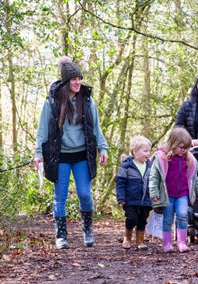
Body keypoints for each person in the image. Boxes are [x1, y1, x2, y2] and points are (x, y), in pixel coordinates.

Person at [33, 56, 109, 249]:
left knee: (84, 194)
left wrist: (103, 147)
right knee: (60, 196)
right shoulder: (51, 102)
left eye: (80, 79)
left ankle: (87, 230)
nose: (78, 83)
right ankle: (61, 235)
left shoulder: (87, 101)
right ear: (66, 82)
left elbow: (96, 128)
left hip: (82, 155)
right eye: (74, 79)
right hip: (60, 156)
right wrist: (38, 153)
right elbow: (42, 129)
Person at [149, 127, 198, 253]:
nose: (184, 150)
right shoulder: (163, 158)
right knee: (167, 219)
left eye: (186, 148)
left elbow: (193, 177)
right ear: (172, 144)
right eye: (181, 147)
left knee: (183, 215)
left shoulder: (189, 159)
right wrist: (154, 193)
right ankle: (167, 244)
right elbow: (154, 177)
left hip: (183, 194)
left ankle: (182, 243)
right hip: (167, 194)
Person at [116, 135, 153, 250]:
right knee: (132, 218)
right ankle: (127, 238)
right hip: (130, 200)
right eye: (145, 151)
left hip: (145, 199)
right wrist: (121, 198)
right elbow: (120, 183)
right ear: (135, 151)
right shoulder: (126, 166)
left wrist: (155, 196)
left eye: (149, 151)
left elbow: (154, 182)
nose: (148, 154)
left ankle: (140, 241)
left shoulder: (150, 166)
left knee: (142, 220)